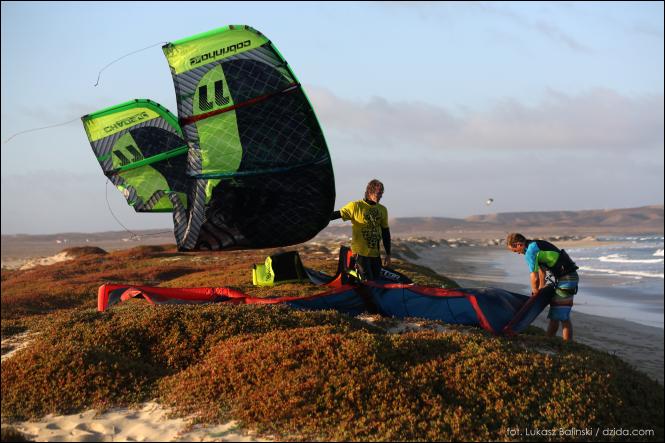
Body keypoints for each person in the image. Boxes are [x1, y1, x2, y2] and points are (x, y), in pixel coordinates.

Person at [506, 233, 579, 342]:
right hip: (568, 277)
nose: (518, 253)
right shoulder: (535, 245)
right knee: (557, 313)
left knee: (562, 315)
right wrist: (540, 289)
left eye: (516, 251)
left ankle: (566, 344)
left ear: (518, 244)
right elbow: (542, 272)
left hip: (567, 279)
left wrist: (535, 291)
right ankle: (549, 339)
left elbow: (534, 276)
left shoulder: (530, 252)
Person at [331, 179, 391, 281]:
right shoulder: (355, 206)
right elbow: (336, 215)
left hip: (375, 254)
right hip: (360, 253)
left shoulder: (382, 210)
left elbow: (385, 232)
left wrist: (388, 254)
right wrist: (319, 214)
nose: (381, 196)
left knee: (376, 281)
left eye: (382, 193)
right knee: (367, 282)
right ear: (370, 192)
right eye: (379, 193)